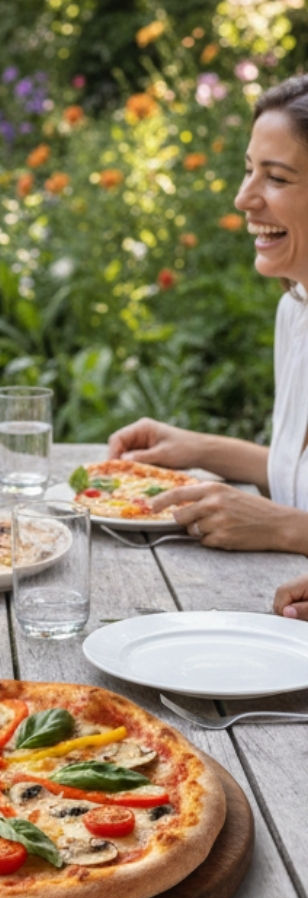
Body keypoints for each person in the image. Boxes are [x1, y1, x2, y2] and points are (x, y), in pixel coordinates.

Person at [108, 74, 308, 554]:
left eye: (276, 178)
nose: (244, 198)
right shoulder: (296, 313)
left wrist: (286, 528)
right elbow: (298, 478)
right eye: (249, 170)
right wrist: (199, 449)